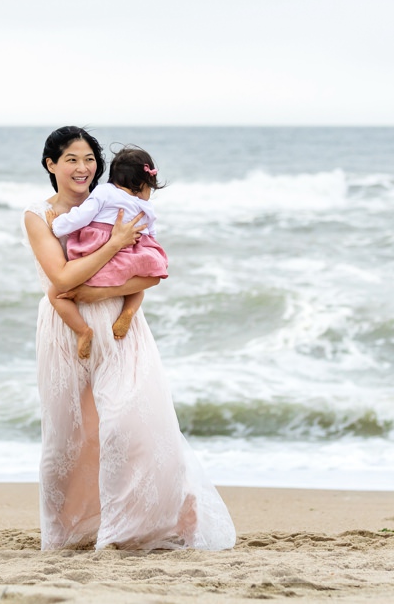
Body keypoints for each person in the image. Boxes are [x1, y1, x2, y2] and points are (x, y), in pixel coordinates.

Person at [23, 125, 236, 551]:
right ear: (51, 165)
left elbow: (149, 273)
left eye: (89, 160)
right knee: (70, 437)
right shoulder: (39, 216)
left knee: (130, 422)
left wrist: (99, 290)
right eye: (71, 160)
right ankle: (70, 534)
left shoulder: (118, 201)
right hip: (66, 331)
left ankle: (138, 527)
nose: (83, 168)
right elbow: (62, 277)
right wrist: (115, 243)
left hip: (121, 325)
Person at [44, 146, 169, 360]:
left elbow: (81, 216)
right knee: (137, 283)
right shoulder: (145, 206)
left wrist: (57, 225)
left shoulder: (104, 191)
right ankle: (128, 312)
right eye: (150, 187)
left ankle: (83, 331)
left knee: (55, 294)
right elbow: (150, 232)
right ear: (141, 183)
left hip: (101, 255)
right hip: (132, 254)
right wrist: (151, 251)